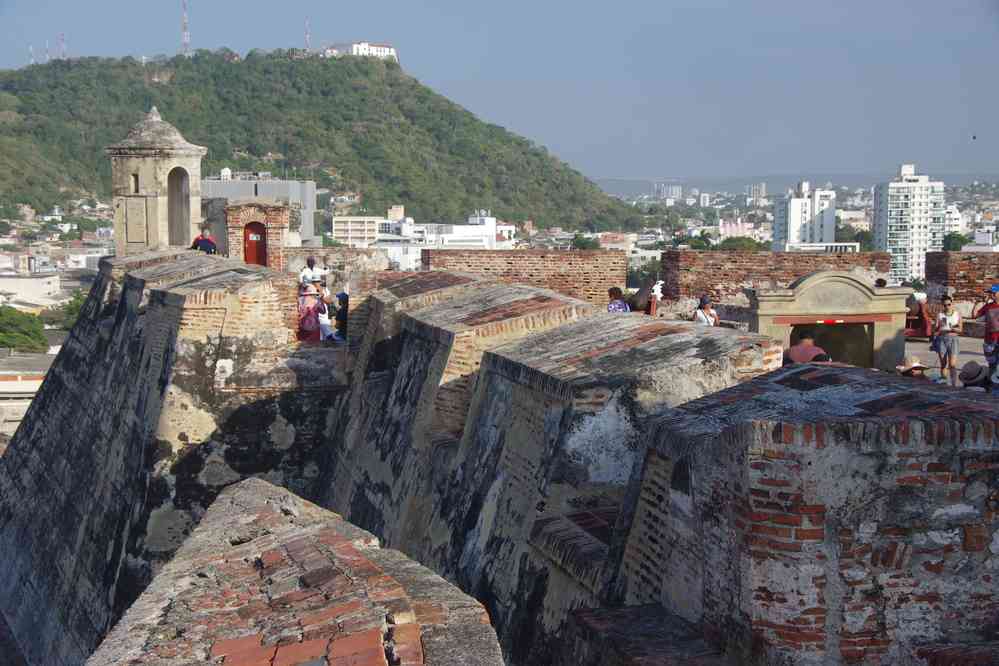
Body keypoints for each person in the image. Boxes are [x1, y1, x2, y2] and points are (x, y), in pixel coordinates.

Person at [933, 295, 962, 386]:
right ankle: (944, 382)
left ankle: (953, 384)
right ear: (942, 305)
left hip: (953, 338)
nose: (947, 307)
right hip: (942, 338)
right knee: (943, 363)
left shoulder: (957, 314)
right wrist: (938, 327)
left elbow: (960, 329)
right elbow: (935, 329)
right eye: (945, 305)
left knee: (952, 365)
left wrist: (953, 328)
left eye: (949, 304)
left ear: (951, 303)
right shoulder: (940, 315)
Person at [972, 285, 999, 377]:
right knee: (992, 365)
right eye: (991, 293)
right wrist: (977, 303)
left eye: (994, 293)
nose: (992, 295)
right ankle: (992, 385)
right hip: (990, 339)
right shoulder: (988, 306)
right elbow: (975, 315)